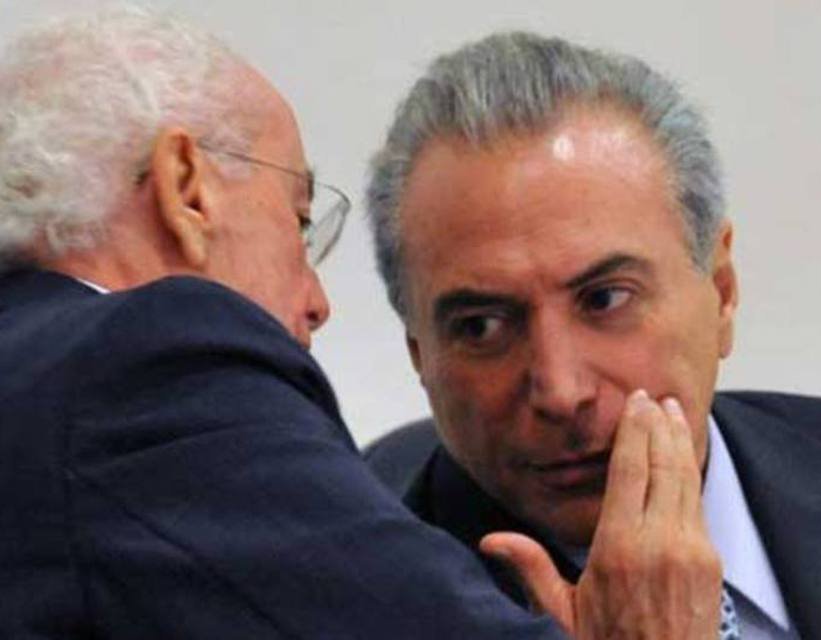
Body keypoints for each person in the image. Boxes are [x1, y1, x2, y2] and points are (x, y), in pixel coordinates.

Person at [0, 8, 721, 639]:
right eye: (299, 223)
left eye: (604, 299)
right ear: (187, 189)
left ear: (722, 290)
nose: (317, 301)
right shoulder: (150, 366)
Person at [363, 31, 821, 640]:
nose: (561, 392)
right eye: (482, 327)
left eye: (605, 299)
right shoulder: (351, 602)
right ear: (419, 353)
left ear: (722, 291)